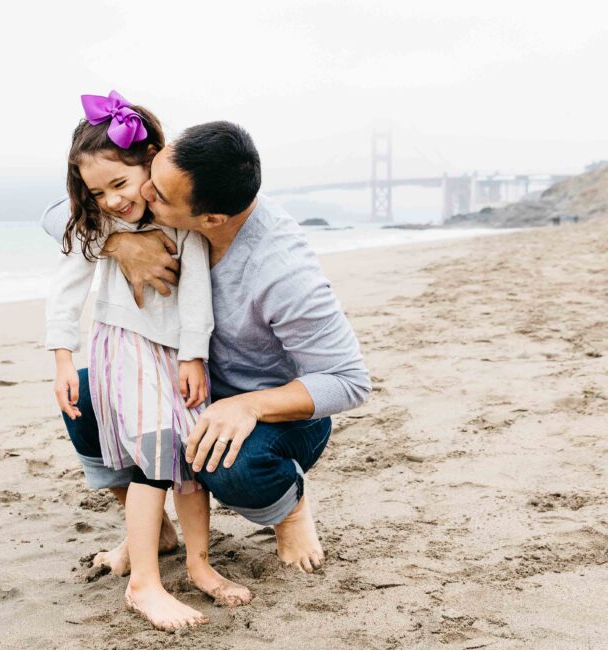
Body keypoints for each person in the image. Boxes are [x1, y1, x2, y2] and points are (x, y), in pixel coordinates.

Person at [42, 119, 371, 575]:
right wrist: (119, 242)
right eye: (150, 179)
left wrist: (250, 406)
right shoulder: (181, 179)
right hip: (184, 384)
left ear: (209, 219)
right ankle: (154, 530)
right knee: (87, 394)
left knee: (227, 464)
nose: (142, 198)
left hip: (279, 413)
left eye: (157, 195)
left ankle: (291, 511)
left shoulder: (283, 273)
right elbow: (62, 213)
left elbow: (349, 382)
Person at [46, 89, 251, 632]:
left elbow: (196, 294)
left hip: (176, 357)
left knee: (191, 456)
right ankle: (144, 584)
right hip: (122, 348)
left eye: (120, 183)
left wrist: (194, 355)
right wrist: (63, 359)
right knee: (155, 454)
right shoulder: (99, 228)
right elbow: (65, 291)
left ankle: (200, 564)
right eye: (98, 191)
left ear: (152, 164)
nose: (113, 200)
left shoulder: (180, 218)